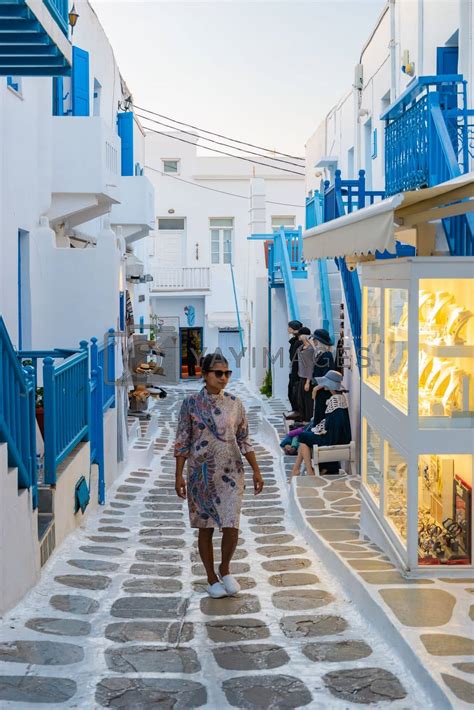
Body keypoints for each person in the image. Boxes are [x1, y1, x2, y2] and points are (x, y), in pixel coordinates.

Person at [174, 352, 264, 599]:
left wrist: (256, 470)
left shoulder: (235, 403)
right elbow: (182, 441)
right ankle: (210, 577)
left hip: (232, 473)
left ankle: (225, 568)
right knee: (206, 527)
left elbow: (244, 439)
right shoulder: (190, 404)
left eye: (227, 373)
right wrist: (178, 475)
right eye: (218, 373)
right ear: (205, 375)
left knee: (231, 526)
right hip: (201, 476)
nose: (224, 378)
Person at [291, 370, 351, 477]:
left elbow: (332, 427)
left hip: (332, 440)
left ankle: (308, 472)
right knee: (305, 436)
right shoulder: (340, 399)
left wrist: (320, 431)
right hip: (339, 438)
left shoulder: (334, 401)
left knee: (303, 437)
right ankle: (296, 469)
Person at [311, 328, 336, 426]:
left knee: (321, 417)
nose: (313, 341)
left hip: (323, 392)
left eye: (315, 340)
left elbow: (328, 376)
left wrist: (316, 389)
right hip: (320, 391)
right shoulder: (321, 354)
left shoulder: (327, 355)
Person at [295, 327, 316, 422]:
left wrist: (308, 381)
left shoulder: (310, 349)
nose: (298, 336)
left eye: (300, 334)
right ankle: (303, 419)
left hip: (307, 378)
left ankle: (307, 420)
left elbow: (311, 366)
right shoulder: (301, 347)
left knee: (308, 402)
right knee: (300, 400)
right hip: (301, 376)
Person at [285, 320, 303, 418]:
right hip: (294, 369)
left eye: (289, 327)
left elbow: (295, 358)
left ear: (293, 328)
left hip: (297, 371)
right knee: (291, 390)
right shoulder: (294, 340)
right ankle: (294, 410)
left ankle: (297, 411)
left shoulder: (297, 341)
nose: (287, 329)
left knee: (294, 391)